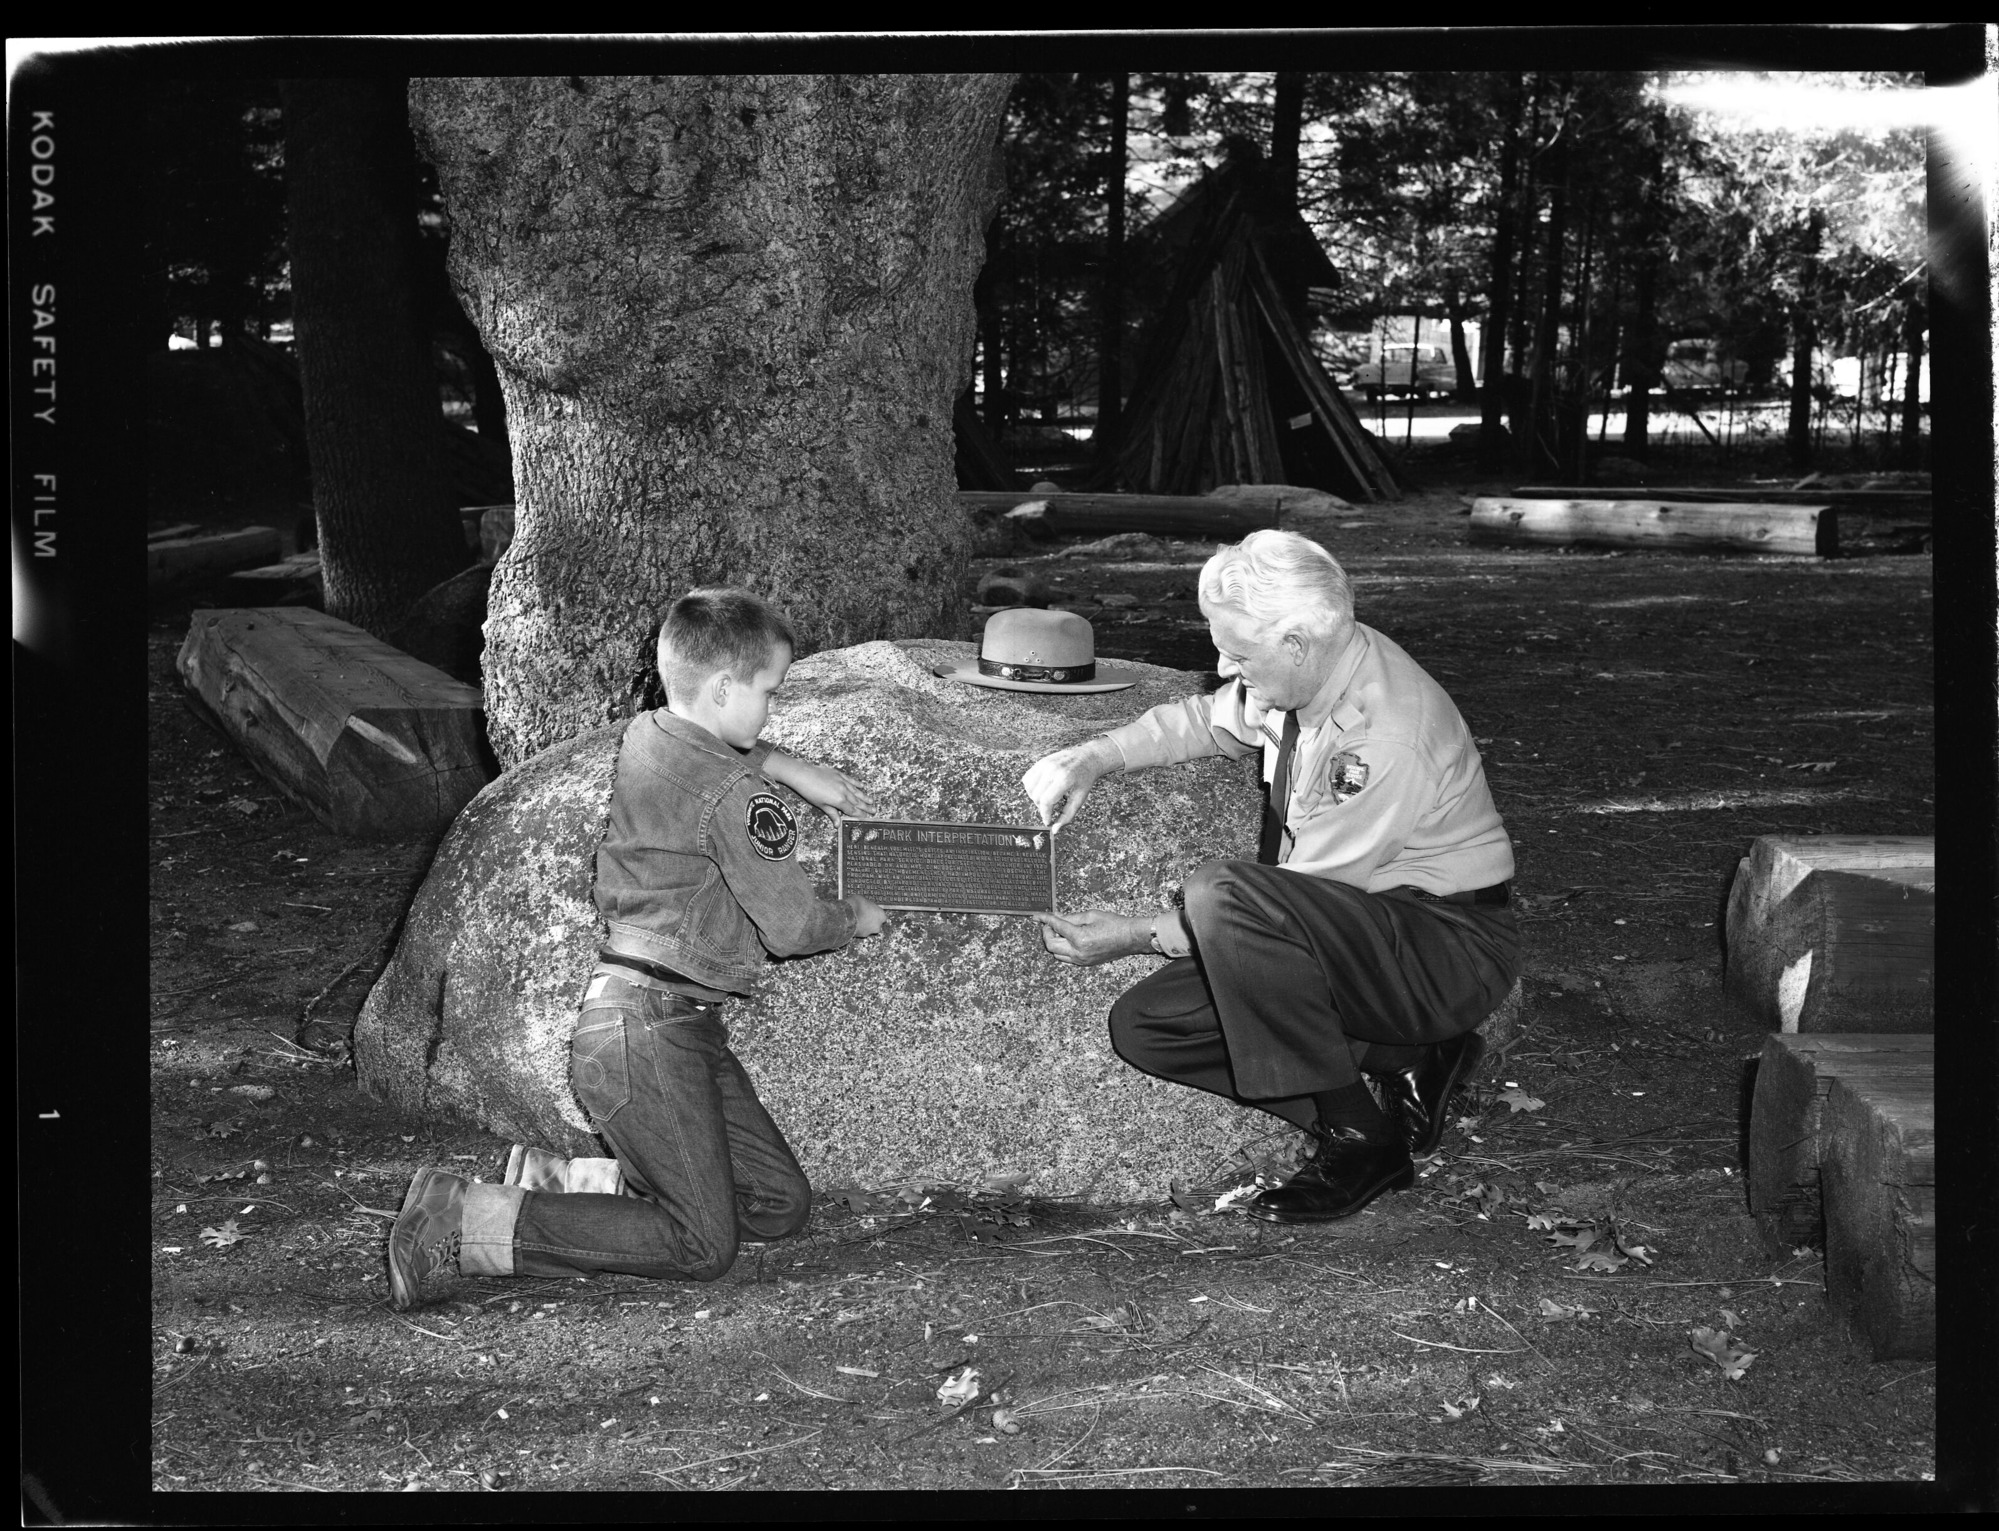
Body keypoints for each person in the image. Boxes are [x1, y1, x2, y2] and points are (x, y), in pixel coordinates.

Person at [388, 589, 887, 1308]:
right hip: (647, 1031)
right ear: (722, 688)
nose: (771, 710)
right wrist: (855, 916)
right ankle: (463, 1216)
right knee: (702, 1246)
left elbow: (705, 745)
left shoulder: (650, 734)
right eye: (769, 693)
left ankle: (568, 1189)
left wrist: (782, 761)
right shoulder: (736, 796)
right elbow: (792, 926)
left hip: (657, 1024)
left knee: (776, 1201)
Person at [1021, 530, 1519, 1223]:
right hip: (1367, 943)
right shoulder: (1303, 671)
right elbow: (1202, 721)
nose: (1222, 664)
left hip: (1443, 944)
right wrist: (1095, 757)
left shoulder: (1381, 735)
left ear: (1295, 642)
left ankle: (1360, 1137)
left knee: (1222, 893)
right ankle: (1405, 1055)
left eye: (1237, 651)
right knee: (1147, 1026)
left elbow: (1294, 904)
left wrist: (1137, 934)